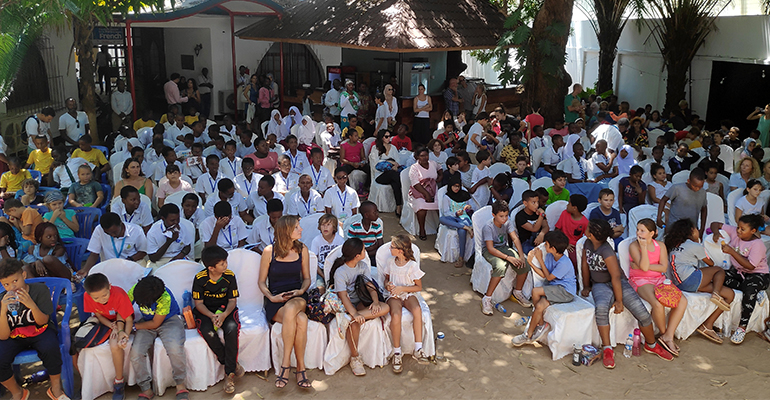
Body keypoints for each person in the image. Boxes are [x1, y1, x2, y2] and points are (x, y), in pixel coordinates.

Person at [581, 219, 674, 368]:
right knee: (601, 309)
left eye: (587, 229)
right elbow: (584, 265)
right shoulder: (587, 244)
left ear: (591, 234)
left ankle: (651, 344)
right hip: (600, 284)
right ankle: (607, 349)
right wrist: (586, 285)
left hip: (618, 282)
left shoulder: (606, 251)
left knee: (641, 312)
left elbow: (616, 277)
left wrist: (619, 300)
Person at [0, 259, 69, 400]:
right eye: (6, 284)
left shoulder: (39, 290)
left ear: (24, 276)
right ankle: (17, 392)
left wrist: (31, 304)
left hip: (41, 330)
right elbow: (3, 336)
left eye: (15, 281)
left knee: (50, 348)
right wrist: (2, 311)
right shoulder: (2, 299)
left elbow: (43, 321)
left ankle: (55, 388)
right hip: (14, 336)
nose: (12, 287)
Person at [258, 215, 312, 388]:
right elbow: (261, 282)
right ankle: (301, 368)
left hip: (297, 296)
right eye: (297, 227)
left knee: (291, 309)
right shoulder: (269, 251)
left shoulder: (302, 249)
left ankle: (285, 364)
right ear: (286, 231)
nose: (301, 230)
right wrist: (271, 297)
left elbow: (307, 279)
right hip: (275, 299)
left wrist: (301, 291)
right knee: (301, 319)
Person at [664, 218, 733, 344]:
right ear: (691, 231)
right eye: (696, 228)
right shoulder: (693, 245)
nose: (698, 230)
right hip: (691, 279)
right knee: (719, 270)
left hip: (681, 284)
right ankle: (716, 294)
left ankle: (707, 325)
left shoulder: (674, 246)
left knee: (729, 295)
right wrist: (698, 242)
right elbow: (711, 263)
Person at [327, 238, 390, 376]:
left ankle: (349, 318)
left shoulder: (362, 266)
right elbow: (343, 296)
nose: (365, 251)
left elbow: (370, 286)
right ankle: (355, 358)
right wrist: (355, 313)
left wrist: (375, 302)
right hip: (346, 304)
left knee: (384, 308)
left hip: (361, 301)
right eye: (363, 250)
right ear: (356, 255)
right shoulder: (341, 271)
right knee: (355, 324)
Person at [628, 219, 687, 356]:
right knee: (657, 304)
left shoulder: (660, 245)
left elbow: (663, 267)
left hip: (658, 279)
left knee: (682, 301)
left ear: (652, 233)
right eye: (637, 230)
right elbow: (642, 268)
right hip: (640, 280)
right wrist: (643, 248)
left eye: (642, 231)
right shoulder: (634, 246)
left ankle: (668, 336)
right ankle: (663, 333)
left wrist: (645, 267)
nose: (638, 233)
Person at [710, 215, 770, 344]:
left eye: (743, 229)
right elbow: (715, 223)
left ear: (753, 231)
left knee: (749, 290)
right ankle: (755, 291)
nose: (738, 231)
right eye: (738, 227)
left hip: (758, 274)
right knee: (719, 275)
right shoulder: (735, 231)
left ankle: (742, 327)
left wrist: (732, 252)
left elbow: (750, 266)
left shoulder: (758, 244)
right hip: (739, 273)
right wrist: (716, 232)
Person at [128, 275, 188, 400]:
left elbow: (156, 323)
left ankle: (180, 385)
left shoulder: (164, 297)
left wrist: (134, 327)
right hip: (146, 321)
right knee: (136, 353)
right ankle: (146, 389)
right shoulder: (137, 289)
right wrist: (122, 327)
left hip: (169, 320)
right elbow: (125, 308)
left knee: (175, 349)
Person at [512, 231, 576, 346]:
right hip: (554, 288)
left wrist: (539, 259)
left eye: (546, 244)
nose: (544, 246)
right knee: (539, 306)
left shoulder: (564, 263)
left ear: (554, 248)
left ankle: (537, 326)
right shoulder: (551, 256)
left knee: (535, 292)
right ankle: (530, 333)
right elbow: (544, 274)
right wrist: (531, 263)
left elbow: (549, 277)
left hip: (565, 291)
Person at [194, 246, 244, 393]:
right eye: (222, 263)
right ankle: (232, 364)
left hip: (226, 309)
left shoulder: (229, 276)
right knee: (207, 332)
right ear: (211, 268)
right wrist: (212, 316)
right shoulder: (199, 279)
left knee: (232, 330)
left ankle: (229, 375)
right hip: (206, 311)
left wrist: (223, 315)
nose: (226, 265)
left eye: (225, 262)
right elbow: (199, 304)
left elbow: (232, 301)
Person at [78, 273, 133, 400]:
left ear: (110, 286)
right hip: (106, 323)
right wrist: (110, 325)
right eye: (96, 298)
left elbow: (128, 319)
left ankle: (118, 382)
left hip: (122, 320)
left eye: (105, 295)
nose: (102, 299)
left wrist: (124, 334)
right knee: (80, 345)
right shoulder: (87, 296)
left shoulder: (119, 294)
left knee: (115, 345)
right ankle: (84, 384)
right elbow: (98, 314)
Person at [383, 234, 428, 373]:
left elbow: (418, 287)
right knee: (396, 314)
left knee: (416, 309)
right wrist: (388, 285)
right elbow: (386, 279)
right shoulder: (391, 262)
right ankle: (397, 352)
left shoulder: (412, 266)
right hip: (394, 295)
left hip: (408, 292)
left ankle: (418, 348)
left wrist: (402, 288)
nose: (390, 248)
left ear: (400, 250)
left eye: (392, 247)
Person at [480, 201, 531, 314]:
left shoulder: (508, 222)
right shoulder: (488, 227)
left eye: (506, 215)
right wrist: (508, 257)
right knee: (500, 266)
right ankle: (487, 298)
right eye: (501, 216)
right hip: (490, 251)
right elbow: (490, 248)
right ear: (494, 215)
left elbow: (515, 239)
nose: (504, 219)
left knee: (524, 264)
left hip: (503, 248)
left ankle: (517, 292)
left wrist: (521, 256)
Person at [79, 212, 148, 278]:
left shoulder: (136, 230)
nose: (112, 235)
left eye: (114, 232)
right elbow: (94, 253)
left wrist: (129, 260)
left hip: (131, 264)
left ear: (121, 224)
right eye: (107, 233)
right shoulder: (99, 230)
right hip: (109, 267)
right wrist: (85, 269)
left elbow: (143, 251)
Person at [657, 168, 708, 235]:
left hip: (691, 228)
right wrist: (659, 218)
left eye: (700, 186)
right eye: (695, 186)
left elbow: (704, 209)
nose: (697, 189)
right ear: (688, 181)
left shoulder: (703, 192)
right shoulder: (677, 188)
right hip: (674, 227)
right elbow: (663, 201)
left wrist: (702, 228)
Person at [439, 174, 474, 268]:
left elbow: (472, 208)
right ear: (450, 186)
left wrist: (468, 207)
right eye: (454, 186)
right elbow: (445, 212)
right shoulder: (447, 197)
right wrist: (455, 214)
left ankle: (461, 257)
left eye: (458, 186)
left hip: (464, 218)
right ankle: (466, 228)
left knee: (462, 232)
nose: (456, 188)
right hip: (453, 217)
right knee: (441, 219)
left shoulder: (465, 195)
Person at [147, 204, 193, 270]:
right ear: (163, 219)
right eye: (172, 220)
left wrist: (176, 259)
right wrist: (169, 242)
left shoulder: (182, 227)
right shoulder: (153, 232)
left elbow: (187, 247)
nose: (176, 222)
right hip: (160, 261)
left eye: (178, 219)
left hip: (178, 257)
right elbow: (153, 258)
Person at [408, 148, 441, 240]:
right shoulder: (414, 167)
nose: (425, 158)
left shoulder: (433, 163)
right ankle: (422, 229)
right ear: (417, 157)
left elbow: (440, 168)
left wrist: (440, 176)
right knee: (421, 206)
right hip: (419, 190)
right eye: (422, 156)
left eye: (426, 155)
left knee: (440, 204)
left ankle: (441, 227)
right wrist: (426, 194)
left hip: (433, 188)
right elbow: (415, 184)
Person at [370, 130, 403, 215]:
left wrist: (395, 166)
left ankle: (398, 206)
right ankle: (401, 201)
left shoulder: (393, 148)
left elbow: (398, 161)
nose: (389, 138)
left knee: (395, 183)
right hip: (380, 175)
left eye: (389, 136)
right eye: (386, 136)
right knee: (394, 176)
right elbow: (375, 164)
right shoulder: (375, 148)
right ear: (381, 138)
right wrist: (389, 162)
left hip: (393, 173)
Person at [309, 214, 344, 290]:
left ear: (334, 226)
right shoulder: (316, 240)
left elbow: (343, 258)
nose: (325, 227)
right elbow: (314, 261)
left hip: (335, 269)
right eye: (323, 225)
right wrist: (324, 276)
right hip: (321, 270)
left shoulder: (340, 240)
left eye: (328, 225)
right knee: (320, 289)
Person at [554, 194, 589, 270]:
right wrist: (564, 243)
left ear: (574, 208)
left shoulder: (585, 222)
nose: (567, 205)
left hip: (574, 247)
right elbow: (557, 230)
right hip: (561, 242)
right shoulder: (564, 214)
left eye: (569, 203)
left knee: (574, 261)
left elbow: (586, 238)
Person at [347, 201, 384, 266]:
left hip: (372, 254)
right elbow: (351, 245)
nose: (377, 214)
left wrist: (367, 252)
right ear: (366, 215)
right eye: (374, 212)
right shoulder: (354, 227)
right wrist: (370, 248)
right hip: (358, 255)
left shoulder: (377, 226)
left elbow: (380, 245)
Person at [516, 189, 549, 255]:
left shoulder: (538, 211)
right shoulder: (520, 216)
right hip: (526, 242)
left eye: (537, 202)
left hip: (540, 238)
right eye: (533, 202)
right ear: (525, 203)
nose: (536, 205)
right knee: (535, 255)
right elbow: (534, 229)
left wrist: (541, 234)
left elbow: (546, 227)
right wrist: (541, 216)